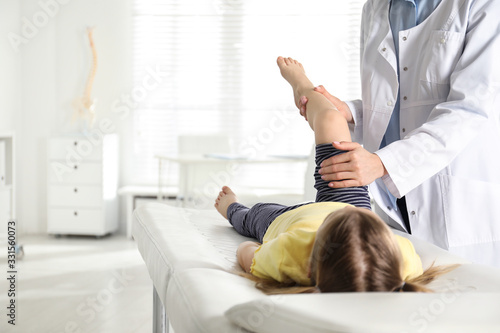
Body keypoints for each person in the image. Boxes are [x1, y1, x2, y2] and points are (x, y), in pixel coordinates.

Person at [214, 57, 455, 294]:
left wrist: (262, 250)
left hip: (291, 220)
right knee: (332, 119)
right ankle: (303, 87)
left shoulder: (291, 253)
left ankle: (231, 206)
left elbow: (246, 251)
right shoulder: (401, 259)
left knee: (249, 217)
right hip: (351, 205)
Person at [298, 0, 500, 267]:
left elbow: (468, 110)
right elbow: (395, 103)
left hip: (454, 203)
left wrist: (383, 163)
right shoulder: (375, 8)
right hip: (394, 200)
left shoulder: (483, 5)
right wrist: (351, 112)